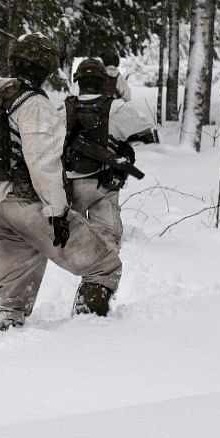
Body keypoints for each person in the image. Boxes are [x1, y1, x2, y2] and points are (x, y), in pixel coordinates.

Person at [0, 34, 122, 333]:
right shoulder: (34, 103)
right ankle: (92, 333)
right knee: (104, 265)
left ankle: (2, 337)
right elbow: (42, 161)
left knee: (13, 293)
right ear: (46, 67)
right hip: (31, 204)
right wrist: (58, 210)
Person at [61, 58, 151, 314]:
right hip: (102, 185)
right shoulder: (116, 108)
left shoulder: (65, 107)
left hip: (69, 185)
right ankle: (94, 295)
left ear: (79, 81)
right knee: (107, 237)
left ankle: (89, 284)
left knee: (77, 238)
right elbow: (147, 129)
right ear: (102, 81)